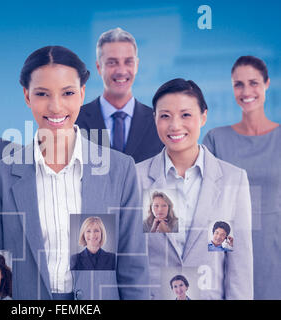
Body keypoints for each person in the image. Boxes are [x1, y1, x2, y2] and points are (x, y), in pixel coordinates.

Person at [0, 45, 149, 300]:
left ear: (82, 94)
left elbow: (133, 270)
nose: (56, 106)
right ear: (27, 97)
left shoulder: (120, 169)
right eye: (42, 94)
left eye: (68, 92)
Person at [136, 78, 253, 299]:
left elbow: (239, 268)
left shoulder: (233, 180)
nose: (175, 125)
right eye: (165, 116)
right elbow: (127, 260)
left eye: (185, 115)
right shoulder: (135, 177)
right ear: (155, 119)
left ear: (204, 116)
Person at [202, 55, 280, 299]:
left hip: (274, 247)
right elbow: (203, 203)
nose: (246, 91)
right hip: (227, 244)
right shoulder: (216, 139)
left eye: (254, 82)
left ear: (267, 83)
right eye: (239, 84)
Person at [76, 27, 163, 163]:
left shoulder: (158, 122)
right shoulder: (75, 120)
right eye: (112, 62)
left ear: (137, 66)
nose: (121, 71)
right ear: (99, 67)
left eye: (128, 62)